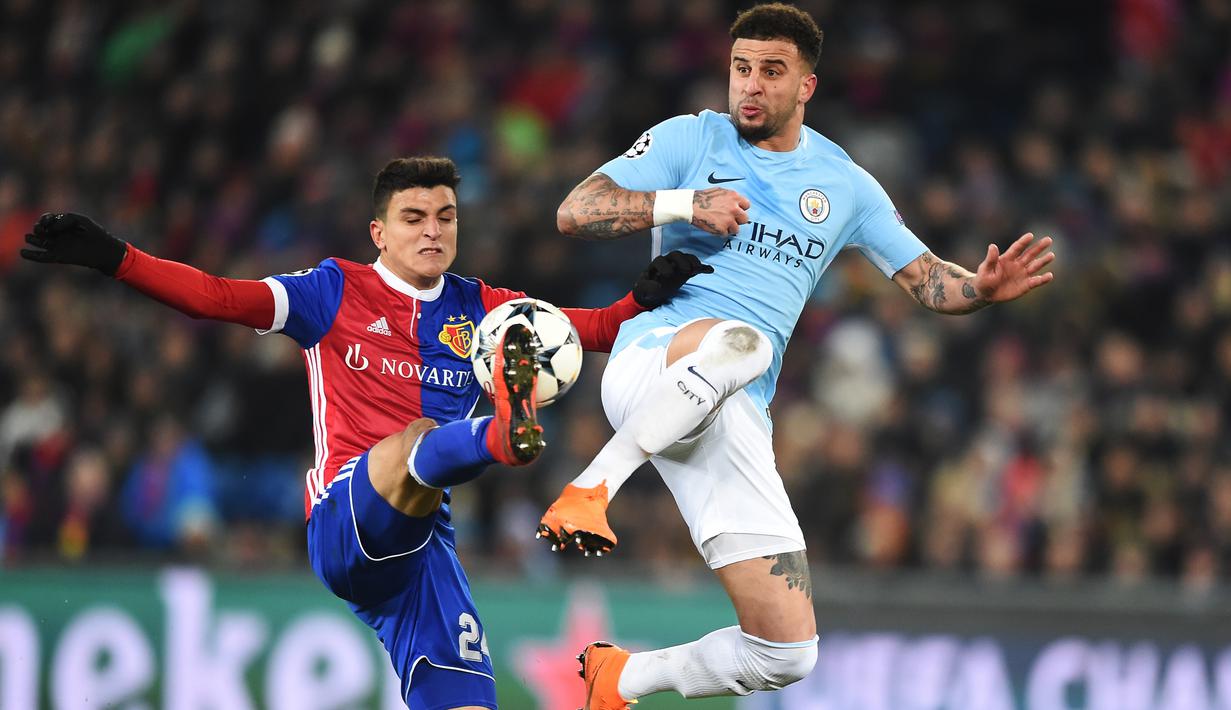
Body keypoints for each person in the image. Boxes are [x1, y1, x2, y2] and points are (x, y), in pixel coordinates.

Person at [20, 156, 710, 710]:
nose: (433, 230)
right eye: (413, 217)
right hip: (346, 520)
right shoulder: (331, 291)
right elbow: (216, 298)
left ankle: (498, 434)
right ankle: (505, 435)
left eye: (445, 216)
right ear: (379, 231)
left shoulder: (485, 307)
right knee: (410, 442)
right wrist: (115, 258)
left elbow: (583, 332)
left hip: (424, 553)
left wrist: (639, 299)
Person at [534, 4, 1057, 707]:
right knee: (741, 340)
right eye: (740, 69)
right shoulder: (692, 137)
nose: (749, 86)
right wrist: (685, 203)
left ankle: (619, 678)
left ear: (805, 86)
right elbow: (576, 210)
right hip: (654, 360)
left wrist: (983, 290)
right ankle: (590, 490)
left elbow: (930, 282)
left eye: (770, 72)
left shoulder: (845, 185)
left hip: (734, 407)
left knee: (785, 650)